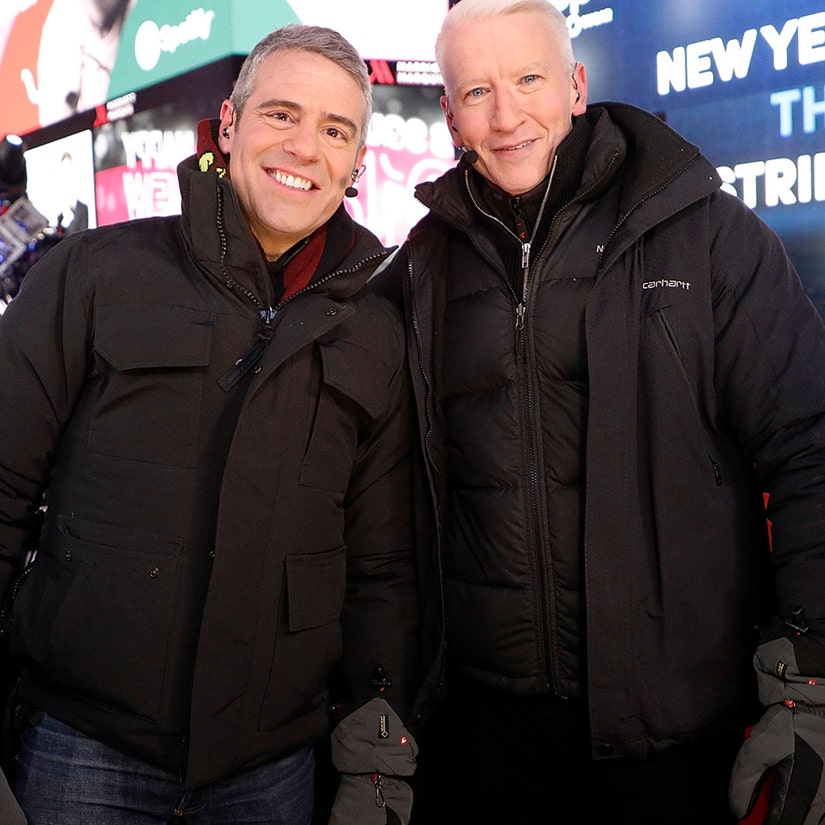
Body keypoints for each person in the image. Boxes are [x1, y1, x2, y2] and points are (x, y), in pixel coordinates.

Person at [391, 0, 825, 823]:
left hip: (673, 727)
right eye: (476, 91)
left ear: (576, 84)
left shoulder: (702, 233)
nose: (507, 113)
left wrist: (808, 668)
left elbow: (810, 443)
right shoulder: (421, 266)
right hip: (483, 735)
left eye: (527, 79)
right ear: (448, 113)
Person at [0, 24, 421, 825]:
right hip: (79, 754)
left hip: (268, 773)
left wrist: (375, 754)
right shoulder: (92, 275)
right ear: (228, 125)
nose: (304, 146)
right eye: (281, 115)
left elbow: (381, 569)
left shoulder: (377, 331)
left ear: (357, 161)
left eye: (335, 130)